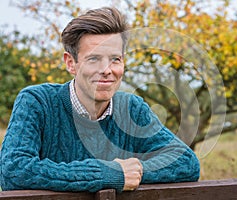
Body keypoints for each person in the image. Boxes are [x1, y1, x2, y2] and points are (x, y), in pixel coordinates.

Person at [0, 7, 200, 193]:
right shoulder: (36, 102)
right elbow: (13, 171)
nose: (107, 70)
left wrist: (134, 171)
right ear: (71, 63)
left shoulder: (132, 109)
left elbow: (186, 162)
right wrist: (108, 174)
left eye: (115, 59)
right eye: (94, 59)